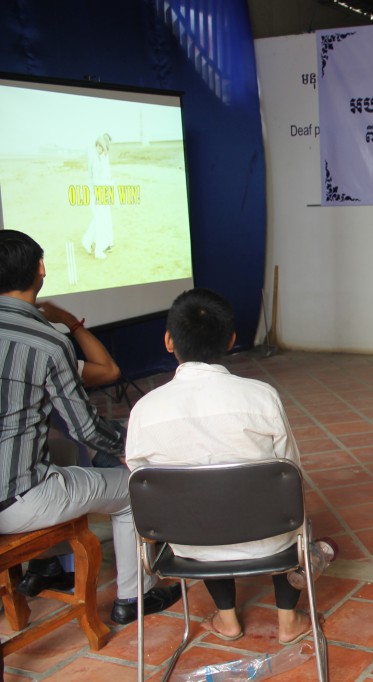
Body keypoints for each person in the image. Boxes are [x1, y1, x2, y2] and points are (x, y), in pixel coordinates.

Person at [0, 230, 180, 623]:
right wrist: (134, 441)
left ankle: (46, 565)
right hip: (13, 503)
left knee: (64, 451)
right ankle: (134, 599)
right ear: (41, 270)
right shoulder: (47, 343)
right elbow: (86, 428)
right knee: (130, 489)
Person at [125, 288, 311, 644]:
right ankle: (288, 622)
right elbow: (290, 469)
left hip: (188, 543)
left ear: (168, 341)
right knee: (289, 507)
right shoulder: (261, 396)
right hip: (269, 536)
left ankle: (227, 620)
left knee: (199, 508)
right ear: (231, 339)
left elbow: (138, 478)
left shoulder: (144, 410)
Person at [81, 133, 114, 259]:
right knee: (101, 221)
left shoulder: (100, 156)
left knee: (99, 220)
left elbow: (104, 176)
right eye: (102, 147)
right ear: (98, 145)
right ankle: (99, 250)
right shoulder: (95, 157)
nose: (103, 149)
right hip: (97, 194)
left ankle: (86, 241)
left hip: (101, 193)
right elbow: (96, 180)